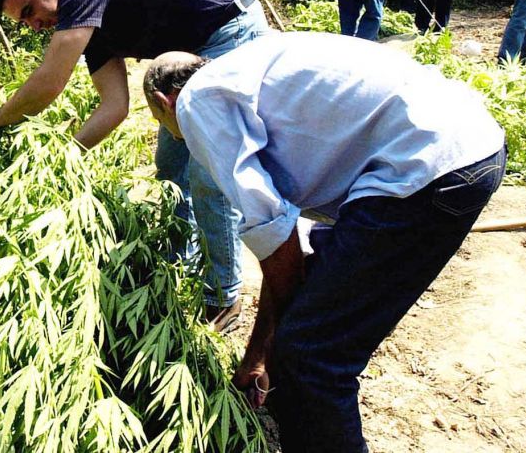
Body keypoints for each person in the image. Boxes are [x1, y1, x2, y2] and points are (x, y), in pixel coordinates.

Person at [142, 32, 505, 453]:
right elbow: (287, 238)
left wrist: (277, 341)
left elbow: (272, 231)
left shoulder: (196, 102)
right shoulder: (247, 71)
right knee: (304, 319)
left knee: (310, 357)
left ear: (165, 102)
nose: (176, 136)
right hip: (469, 147)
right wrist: (262, 349)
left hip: (425, 167)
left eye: (164, 127)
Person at [0, 0, 271, 330]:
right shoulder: (94, 29)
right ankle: (179, 268)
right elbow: (114, 106)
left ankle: (223, 297)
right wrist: (62, 157)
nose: (34, 25)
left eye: (30, 10)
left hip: (230, 31)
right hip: (191, 53)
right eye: (24, 22)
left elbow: (50, 80)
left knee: (206, 173)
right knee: (171, 167)